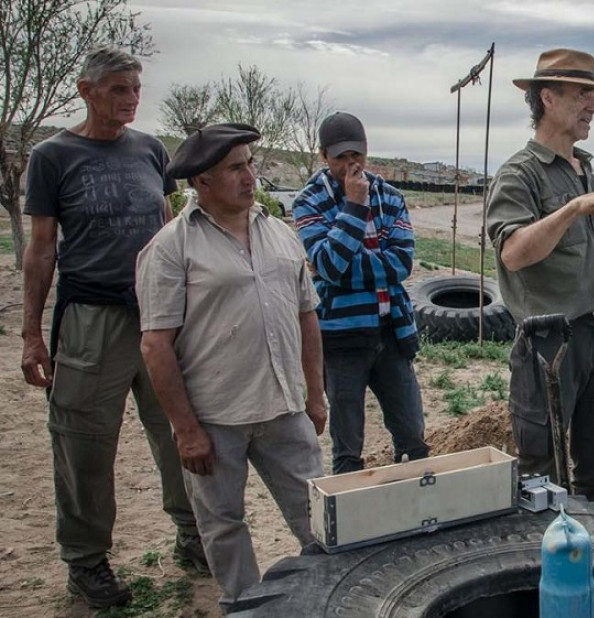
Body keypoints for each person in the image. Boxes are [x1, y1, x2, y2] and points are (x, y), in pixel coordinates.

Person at [19, 47, 205, 609]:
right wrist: (31, 333)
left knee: (180, 430)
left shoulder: (150, 150)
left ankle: (194, 535)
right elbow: (42, 249)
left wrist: (189, 303)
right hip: (91, 319)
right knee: (84, 445)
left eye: (135, 90)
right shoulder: (52, 156)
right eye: (118, 90)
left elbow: (171, 231)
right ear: (86, 91)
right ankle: (87, 562)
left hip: (159, 317)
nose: (129, 100)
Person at [137, 124, 326, 607]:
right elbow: (156, 346)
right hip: (214, 418)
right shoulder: (171, 247)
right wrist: (185, 429)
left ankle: (331, 596)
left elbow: (307, 317)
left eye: (251, 164)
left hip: (285, 408)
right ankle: (244, 606)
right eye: (236, 168)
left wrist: (315, 393)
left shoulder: (279, 233)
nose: (250, 177)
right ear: (201, 181)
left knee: (320, 516)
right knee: (223, 523)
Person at [486, 48, 594, 501]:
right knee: (544, 472)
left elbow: (579, 250)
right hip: (550, 344)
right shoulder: (520, 174)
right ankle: (547, 561)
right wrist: (573, 209)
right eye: (584, 95)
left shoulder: (585, 170)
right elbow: (514, 253)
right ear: (549, 98)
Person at [292, 112, 428, 473]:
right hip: (341, 338)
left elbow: (401, 263)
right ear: (323, 156)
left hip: (393, 331)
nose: (351, 164)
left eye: (358, 155)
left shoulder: (390, 196)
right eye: (340, 157)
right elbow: (330, 265)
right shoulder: (308, 201)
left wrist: (347, 263)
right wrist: (353, 206)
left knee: (413, 435)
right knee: (348, 446)